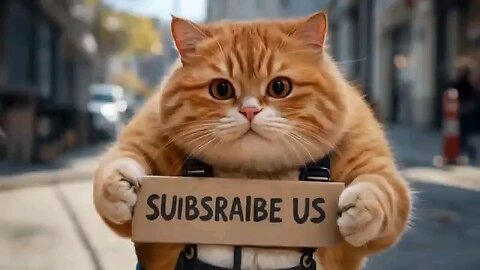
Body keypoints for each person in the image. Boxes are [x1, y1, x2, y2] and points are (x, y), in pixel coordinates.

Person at [451, 60, 480, 161]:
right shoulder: (462, 84)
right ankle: (465, 151)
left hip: (467, 115)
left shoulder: (469, 85)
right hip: (463, 114)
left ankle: (466, 151)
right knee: (463, 135)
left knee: (464, 135)